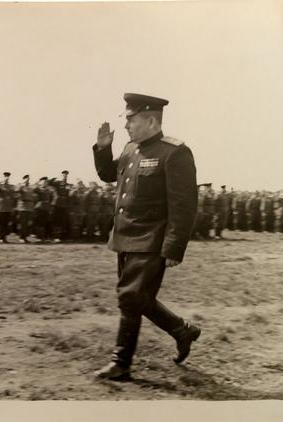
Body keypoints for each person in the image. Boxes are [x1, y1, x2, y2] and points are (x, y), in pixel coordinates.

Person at [92, 93, 200, 380]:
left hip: (152, 238)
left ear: (151, 120)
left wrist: (174, 247)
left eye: (131, 119)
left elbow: (184, 205)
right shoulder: (130, 149)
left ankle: (121, 363)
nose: (126, 125)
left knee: (130, 296)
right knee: (138, 298)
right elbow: (107, 174)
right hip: (126, 236)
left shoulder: (175, 153)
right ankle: (182, 330)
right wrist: (103, 148)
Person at [0, 172, 16, 243]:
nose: (7, 178)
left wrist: (12, 206)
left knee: (6, 223)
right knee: (0, 223)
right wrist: (0, 182)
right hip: (0, 207)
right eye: (5, 176)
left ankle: (4, 238)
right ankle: (0, 237)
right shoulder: (0, 185)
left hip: (8, 207)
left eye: (8, 177)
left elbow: (13, 195)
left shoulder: (10, 186)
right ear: (3, 177)